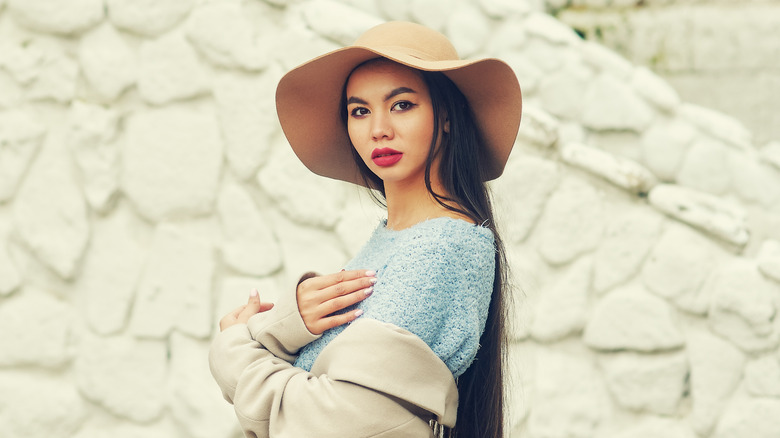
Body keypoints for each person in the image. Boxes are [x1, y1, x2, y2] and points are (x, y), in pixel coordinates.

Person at [209, 21, 522, 438]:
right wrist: (287, 323)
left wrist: (233, 349)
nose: (378, 129)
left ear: (445, 116)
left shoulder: (445, 247)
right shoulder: (394, 238)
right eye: (360, 111)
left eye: (402, 105)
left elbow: (335, 421)